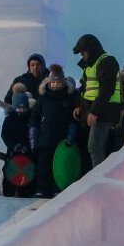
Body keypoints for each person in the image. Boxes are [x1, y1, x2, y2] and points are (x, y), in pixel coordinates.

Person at [72, 34, 122, 170]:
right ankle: (95, 178)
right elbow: (85, 88)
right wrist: (79, 106)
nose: (82, 55)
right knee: (91, 148)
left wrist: (94, 112)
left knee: (94, 147)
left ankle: (99, 181)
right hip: (94, 112)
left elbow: (106, 89)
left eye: (83, 51)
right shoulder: (89, 66)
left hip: (104, 113)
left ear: (90, 49)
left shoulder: (106, 62)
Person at [29, 64, 78, 198]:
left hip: (61, 141)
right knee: (43, 166)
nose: (56, 84)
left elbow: (73, 120)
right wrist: (33, 139)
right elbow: (34, 119)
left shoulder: (68, 99)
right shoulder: (43, 99)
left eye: (59, 82)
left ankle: (58, 188)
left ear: (63, 82)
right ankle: (41, 189)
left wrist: (71, 135)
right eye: (54, 82)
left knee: (60, 166)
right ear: (49, 82)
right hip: (45, 140)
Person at [0, 92, 35, 197]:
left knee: (27, 174)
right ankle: (8, 194)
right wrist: (14, 145)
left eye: (24, 108)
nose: (22, 110)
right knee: (9, 172)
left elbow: (33, 135)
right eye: (19, 108)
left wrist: (27, 146)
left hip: (27, 154)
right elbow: (5, 135)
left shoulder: (30, 119)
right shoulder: (9, 120)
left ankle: (26, 194)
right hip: (13, 153)